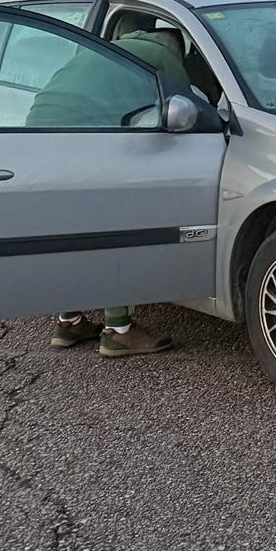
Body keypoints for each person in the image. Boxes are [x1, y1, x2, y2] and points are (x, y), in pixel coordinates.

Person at [45, 26, 195, 357]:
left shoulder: (104, 51)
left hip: (36, 141)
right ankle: (119, 331)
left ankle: (69, 321)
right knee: (119, 233)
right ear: (176, 48)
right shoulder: (163, 56)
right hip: (83, 145)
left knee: (73, 237)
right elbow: (186, 108)